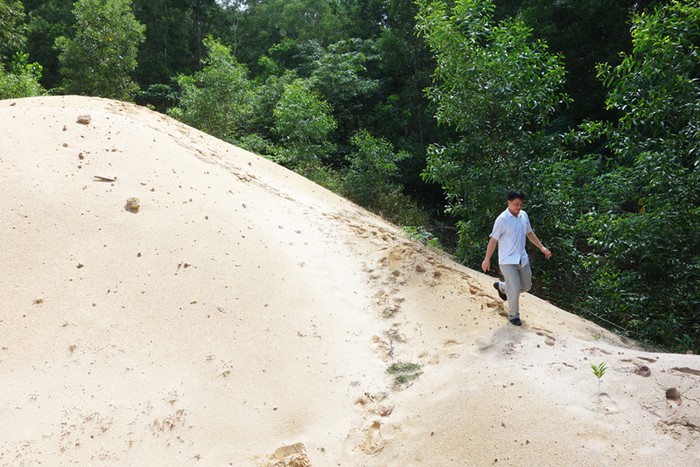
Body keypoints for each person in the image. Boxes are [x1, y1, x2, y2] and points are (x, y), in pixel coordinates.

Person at [481, 189, 551, 326]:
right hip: (507, 260)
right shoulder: (502, 220)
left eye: (521, 205)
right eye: (516, 204)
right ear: (509, 202)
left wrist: (541, 247)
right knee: (514, 289)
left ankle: (502, 287)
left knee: (526, 286)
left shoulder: (523, 216)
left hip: (522, 258)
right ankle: (513, 316)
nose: (518, 207)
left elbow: (529, 233)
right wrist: (487, 258)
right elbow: (493, 240)